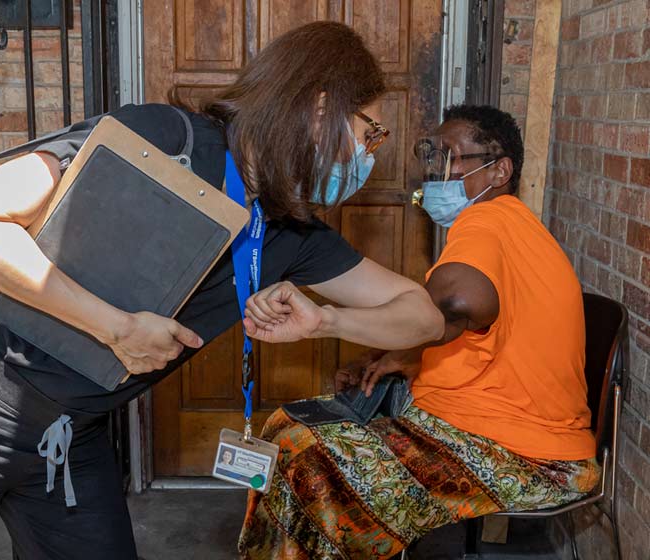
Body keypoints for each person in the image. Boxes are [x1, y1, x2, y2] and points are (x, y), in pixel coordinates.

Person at [0, 23, 444, 560]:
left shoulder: (292, 232)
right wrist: (114, 327)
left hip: (70, 436)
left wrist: (324, 323)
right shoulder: (162, 139)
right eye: (371, 130)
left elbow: (422, 317)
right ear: (319, 107)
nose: (369, 151)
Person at [238, 105, 600, 560]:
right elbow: (495, 332)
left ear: (500, 170)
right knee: (286, 427)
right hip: (492, 424)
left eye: (451, 159)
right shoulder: (513, 226)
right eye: (432, 156)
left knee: (305, 459)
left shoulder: (487, 220)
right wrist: (411, 358)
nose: (437, 172)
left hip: (527, 454)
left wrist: (347, 323)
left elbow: (459, 304)